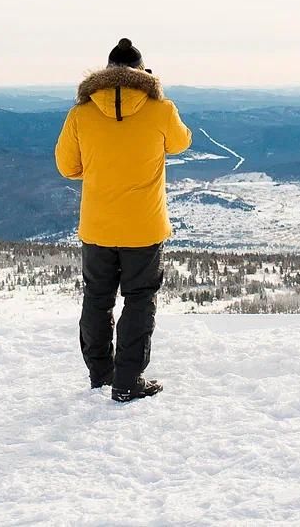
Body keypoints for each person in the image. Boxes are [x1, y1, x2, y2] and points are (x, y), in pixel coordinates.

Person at [54, 38, 193, 402]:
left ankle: (101, 375)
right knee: (139, 300)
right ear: (142, 74)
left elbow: (67, 167)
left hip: (97, 227)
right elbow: (181, 143)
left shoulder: (81, 114)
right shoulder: (160, 109)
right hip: (144, 228)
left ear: (105, 73)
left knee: (97, 299)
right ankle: (128, 381)